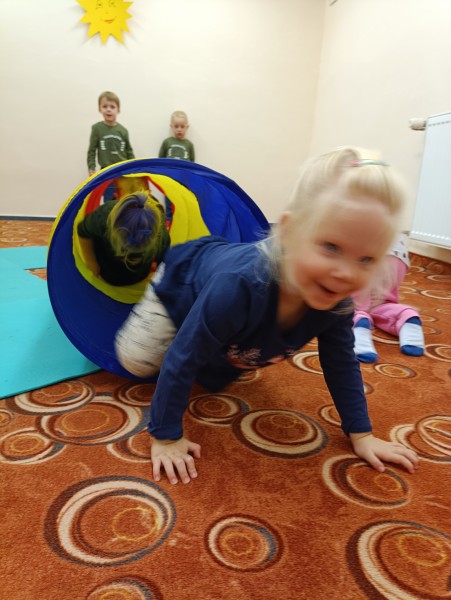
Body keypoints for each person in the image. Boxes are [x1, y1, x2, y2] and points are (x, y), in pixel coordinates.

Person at [115, 147, 419, 485]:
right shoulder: (238, 287)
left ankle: (206, 330)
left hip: (221, 297)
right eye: (331, 247)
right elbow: (182, 356)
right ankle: (160, 305)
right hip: (183, 277)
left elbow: (341, 363)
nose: (346, 273)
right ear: (288, 232)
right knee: (139, 362)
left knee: (222, 367)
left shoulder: (337, 300)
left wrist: (362, 435)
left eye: (366, 260)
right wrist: (165, 436)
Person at [352, 233, 425, 362]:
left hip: (361, 252)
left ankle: (358, 325)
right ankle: (406, 317)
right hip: (397, 252)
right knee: (383, 302)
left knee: (351, 304)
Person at [77, 191, 170, 286]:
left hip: (139, 275)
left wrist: (157, 275)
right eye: (125, 254)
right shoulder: (103, 218)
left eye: (138, 256)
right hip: (107, 268)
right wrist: (91, 261)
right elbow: (82, 231)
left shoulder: (161, 236)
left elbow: (165, 265)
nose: (132, 262)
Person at [87, 91, 135, 201]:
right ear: (100, 109)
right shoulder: (97, 129)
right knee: (109, 200)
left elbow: (129, 151)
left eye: (112, 107)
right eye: (105, 106)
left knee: (124, 199)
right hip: (107, 171)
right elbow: (92, 150)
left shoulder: (123, 131)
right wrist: (91, 167)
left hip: (123, 171)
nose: (108, 109)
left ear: (118, 110)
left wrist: (134, 168)